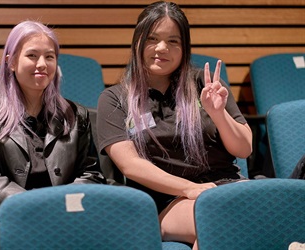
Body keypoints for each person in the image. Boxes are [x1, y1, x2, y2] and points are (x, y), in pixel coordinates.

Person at [96, 1, 252, 249]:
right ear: (138, 41)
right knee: (219, 218)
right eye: (152, 38)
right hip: (167, 200)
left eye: (173, 41)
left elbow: (244, 149)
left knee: (271, 210)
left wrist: (219, 114)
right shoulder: (115, 98)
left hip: (227, 187)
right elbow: (130, 165)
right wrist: (191, 188)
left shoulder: (205, 83)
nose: (161, 48)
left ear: (184, 48)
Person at [0, 20, 105, 249]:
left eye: (49, 57)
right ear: (10, 62)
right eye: (32, 55)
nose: (42, 64)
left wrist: (61, 205)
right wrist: (37, 206)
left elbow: (90, 173)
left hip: (64, 213)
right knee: (37, 238)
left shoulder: (75, 114)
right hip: (4, 215)